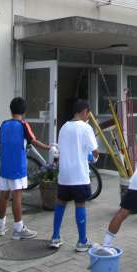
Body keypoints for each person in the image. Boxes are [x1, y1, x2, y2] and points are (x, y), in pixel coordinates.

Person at [0, 97, 50, 240]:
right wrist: (49, 147)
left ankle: (0, 226)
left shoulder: (4, 124)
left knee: (4, 195)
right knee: (17, 196)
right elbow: (34, 141)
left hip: (5, 167)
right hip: (18, 167)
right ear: (24, 111)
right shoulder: (23, 125)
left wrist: (1, 156)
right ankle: (18, 229)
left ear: (11, 109)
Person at [48, 99, 98, 252]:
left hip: (64, 175)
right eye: (88, 114)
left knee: (60, 203)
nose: (88, 117)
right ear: (84, 111)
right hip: (79, 174)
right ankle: (82, 241)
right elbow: (94, 151)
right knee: (80, 204)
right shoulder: (86, 128)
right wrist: (93, 157)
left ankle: (55, 237)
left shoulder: (63, 127)